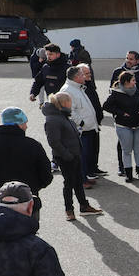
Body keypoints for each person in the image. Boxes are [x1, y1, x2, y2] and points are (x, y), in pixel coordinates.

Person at [0, 107, 53, 222]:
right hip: (27, 204)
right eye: (24, 123)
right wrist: (31, 188)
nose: (26, 126)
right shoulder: (33, 145)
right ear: (18, 124)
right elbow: (46, 175)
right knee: (27, 237)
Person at [42, 93, 103, 221]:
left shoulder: (63, 116)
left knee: (78, 182)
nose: (71, 104)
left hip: (74, 155)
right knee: (69, 183)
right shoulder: (53, 119)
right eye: (70, 101)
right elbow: (54, 142)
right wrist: (68, 155)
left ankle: (84, 206)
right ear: (64, 103)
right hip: (66, 157)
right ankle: (69, 210)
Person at [60, 66, 101, 185]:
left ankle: (86, 176)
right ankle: (82, 180)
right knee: (81, 156)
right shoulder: (67, 90)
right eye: (82, 75)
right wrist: (82, 123)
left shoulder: (78, 88)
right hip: (81, 130)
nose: (85, 77)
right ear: (76, 77)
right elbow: (69, 111)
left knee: (87, 154)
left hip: (88, 127)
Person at [104, 71, 139, 182]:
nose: (135, 82)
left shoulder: (136, 91)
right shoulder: (116, 93)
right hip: (123, 126)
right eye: (133, 80)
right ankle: (128, 174)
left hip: (138, 125)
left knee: (138, 150)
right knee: (127, 150)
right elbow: (106, 106)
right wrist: (121, 113)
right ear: (126, 82)